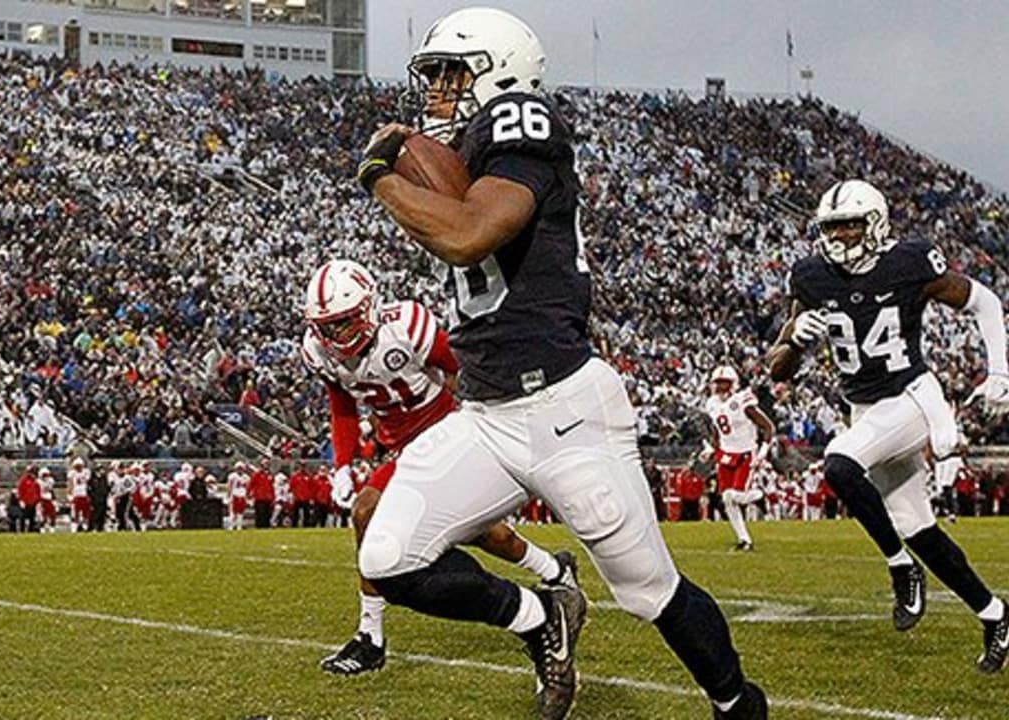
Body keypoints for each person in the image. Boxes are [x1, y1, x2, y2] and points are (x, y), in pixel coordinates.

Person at [356, 9, 764, 718]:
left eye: (454, 73)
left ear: (499, 70)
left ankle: (738, 705)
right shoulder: (478, 150)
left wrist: (381, 179)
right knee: (388, 558)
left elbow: (468, 233)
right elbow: (460, 206)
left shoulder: (522, 121)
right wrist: (415, 162)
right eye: (436, 76)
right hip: (485, 414)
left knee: (649, 591)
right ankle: (541, 618)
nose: (439, 91)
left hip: (564, 410)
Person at [767, 178, 1008, 674]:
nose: (840, 237)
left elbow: (985, 302)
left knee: (837, 464)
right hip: (865, 409)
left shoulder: (909, 262)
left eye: (850, 225)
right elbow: (778, 370)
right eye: (832, 227)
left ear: (874, 224)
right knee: (917, 527)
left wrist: (1000, 371)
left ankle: (900, 568)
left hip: (911, 396)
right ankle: (995, 614)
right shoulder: (811, 276)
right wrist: (794, 338)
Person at [301, 260, 579, 675]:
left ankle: (553, 569)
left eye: (342, 323)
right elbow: (342, 407)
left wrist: (475, 427)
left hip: (445, 433)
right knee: (366, 512)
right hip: (401, 451)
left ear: (367, 308)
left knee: (483, 532)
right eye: (326, 325)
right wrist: (342, 465)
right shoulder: (317, 352)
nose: (334, 335)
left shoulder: (408, 325)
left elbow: (460, 370)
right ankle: (369, 636)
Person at [701, 366, 775, 551]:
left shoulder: (742, 400)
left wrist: (763, 452)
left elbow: (768, 427)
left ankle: (759, 496)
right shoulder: (712, 403)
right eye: (717, 383)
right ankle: (744, 540)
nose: (719, 387)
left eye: (723, 383)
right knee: (727, 498)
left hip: (745, 452)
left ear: (733, 383)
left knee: (738, 496)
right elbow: (717, 431)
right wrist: (711, 448)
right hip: (726, 453)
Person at [246, 460, 275, 529]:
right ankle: (259, 526)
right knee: (260, 513)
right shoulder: (257, 474)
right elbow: (250, 484)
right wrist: (248, 494)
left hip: (268, 497)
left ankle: (266, 526)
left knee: (268, 513)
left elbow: (272, 487)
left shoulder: (270, 475)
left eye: (267, 464)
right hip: (259, 497)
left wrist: (273, 497)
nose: (266, 465)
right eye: (265, 464)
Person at [67, 458, 91, 532]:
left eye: (79, 466)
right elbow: (70, 484)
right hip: (76, 495)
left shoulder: (86, 472)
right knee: (75, 512)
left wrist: (89, 494)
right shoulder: (72, 473)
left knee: (85, 512)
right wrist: (69, 494)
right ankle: (75, 526)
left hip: (84, 494)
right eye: (77, 466)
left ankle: (84, 526)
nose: (78, 467)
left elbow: (88, 483)